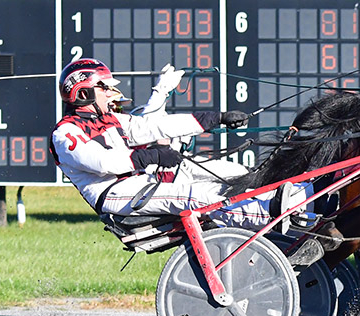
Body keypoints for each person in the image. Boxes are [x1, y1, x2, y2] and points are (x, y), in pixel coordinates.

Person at [50, 58, 309, 232]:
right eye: (104, 87)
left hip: (141, 184)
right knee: (197, 196)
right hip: (116, 196)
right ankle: (271, 216)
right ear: (83, 93)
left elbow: (155, 127)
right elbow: (104, 163)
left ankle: (300, 199)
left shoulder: (112, 118)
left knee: (226, 176)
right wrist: (156, 156)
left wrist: (216, 118)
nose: (111, 93)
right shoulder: (65, 133)